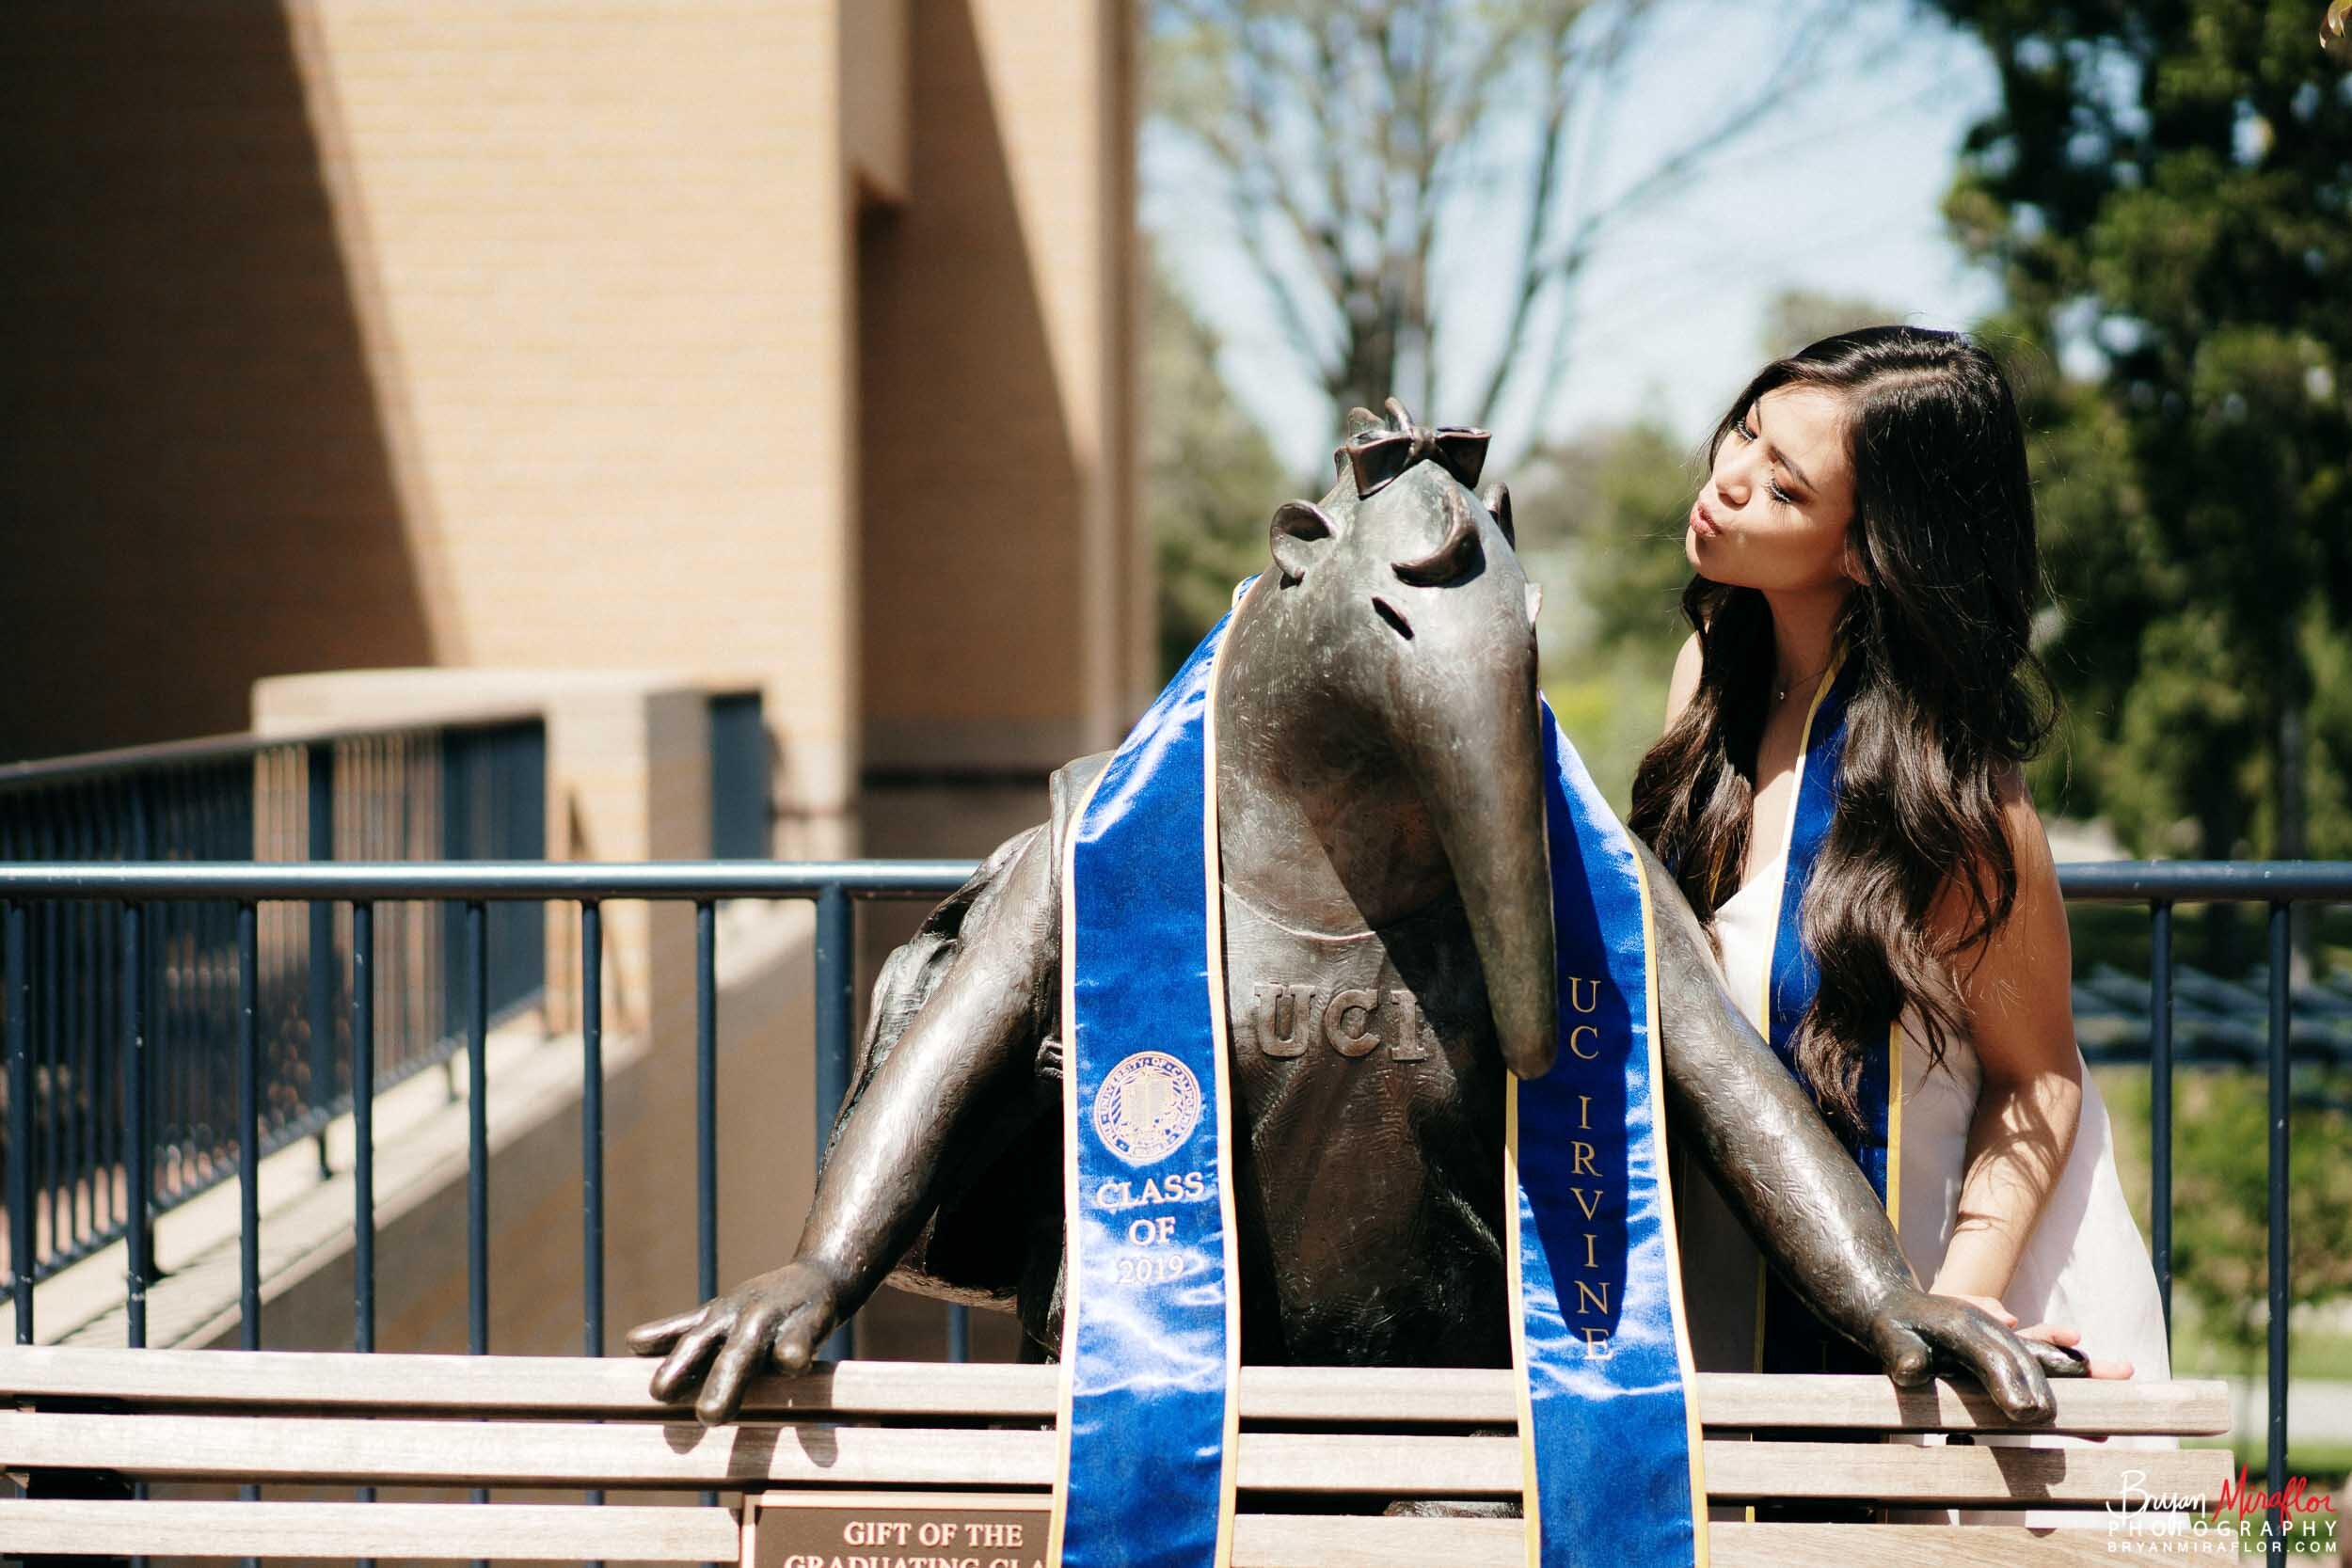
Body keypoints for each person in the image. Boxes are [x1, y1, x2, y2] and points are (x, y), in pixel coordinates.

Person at [1628, 325, 2174, 1528]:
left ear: (1871, 555)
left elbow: (2038, 1079)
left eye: (1784, 484)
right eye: (1745, 433)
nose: (1729, 478)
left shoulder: (1954, 796)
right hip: (1738, 1294)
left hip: (1936, 1293)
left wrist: (1956, 1304)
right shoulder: (1705, 679)